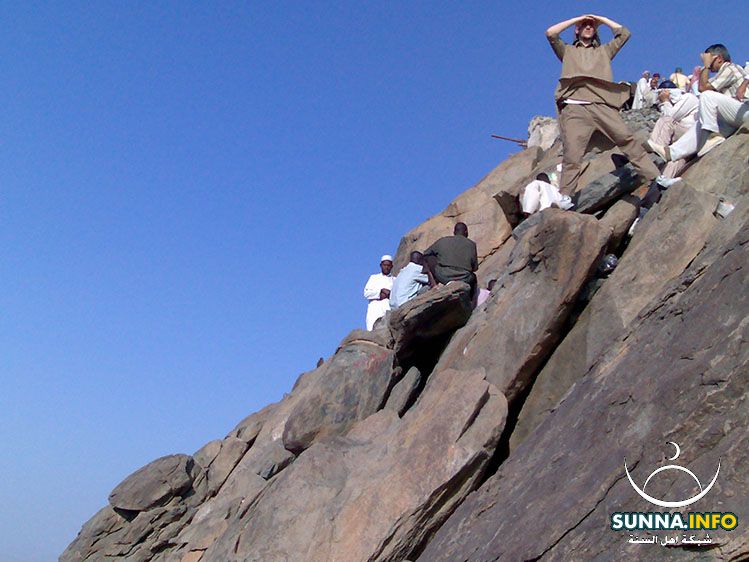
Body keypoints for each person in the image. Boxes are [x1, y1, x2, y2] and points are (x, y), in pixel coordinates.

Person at [545, 14, 661, 199]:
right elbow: (551, 33)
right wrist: (578, 19)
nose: (588, 27)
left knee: (626, 139)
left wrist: (600, 19)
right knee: (572, 155)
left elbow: (624, 34)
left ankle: (656, 178)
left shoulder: (604, 51)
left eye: (591, 26)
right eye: (584, 25)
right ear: (577, 30)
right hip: (575, 107)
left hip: (602, 105)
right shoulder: (567, 51)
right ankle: (565, 197)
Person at [648, 44, 748, 162]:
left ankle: (712, 136)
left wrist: (706, 66)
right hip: (733, 117)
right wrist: (706, 66)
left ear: (719, 58)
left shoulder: (730, 68)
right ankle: (672, 152)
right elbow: (703, 86)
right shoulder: (721, 73)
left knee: (707, 96)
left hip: (744, 110)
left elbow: (703, 89)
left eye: (710, 59)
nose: (709, 65)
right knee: (702, 122)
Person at [649, 86, 699, 178]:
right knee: (676, 158)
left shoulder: (688, 97)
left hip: (689, 132)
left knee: (665, 121)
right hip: (687, 140)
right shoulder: (676, 103)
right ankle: (661, 182)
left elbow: (670, 116)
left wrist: (665, 101)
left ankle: (656, 153)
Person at [423, 222, 479, 298]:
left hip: (444, 276)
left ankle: (434, 285)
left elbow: (425, 254)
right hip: (464, 278)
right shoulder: (471, 244)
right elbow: (475, 268)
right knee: (473, 278)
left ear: (454, 232)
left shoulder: (443, 240)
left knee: (429, 258)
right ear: (466, 232)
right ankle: (472, 302)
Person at [363, 254, 394, 330]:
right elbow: (366, 294)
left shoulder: (395, 280)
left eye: (388, 265)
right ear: (381, 265)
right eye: (384, 265)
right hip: (374, 308)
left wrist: (389, 294)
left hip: (388, 308)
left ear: (391, 266)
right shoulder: (374, 278)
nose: (386, 267)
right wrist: (381, 292)